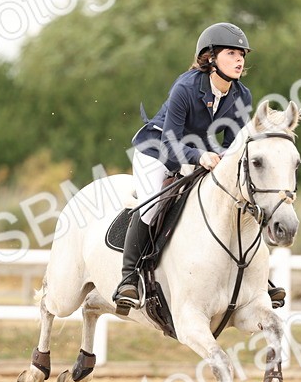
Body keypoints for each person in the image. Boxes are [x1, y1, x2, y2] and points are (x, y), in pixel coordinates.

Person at [112, 22, 286, 311]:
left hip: (198, 151)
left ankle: (258, 277)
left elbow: (234, 145)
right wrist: (200, 157)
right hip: (157, 150)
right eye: (231, 53)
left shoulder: (242, 95)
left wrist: (225, 163)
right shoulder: (186, 87)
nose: (240, 59)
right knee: (151, 205)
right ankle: (128, 278)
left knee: (235, 199)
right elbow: (170, 144)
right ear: (210, 57)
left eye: (242, 54)